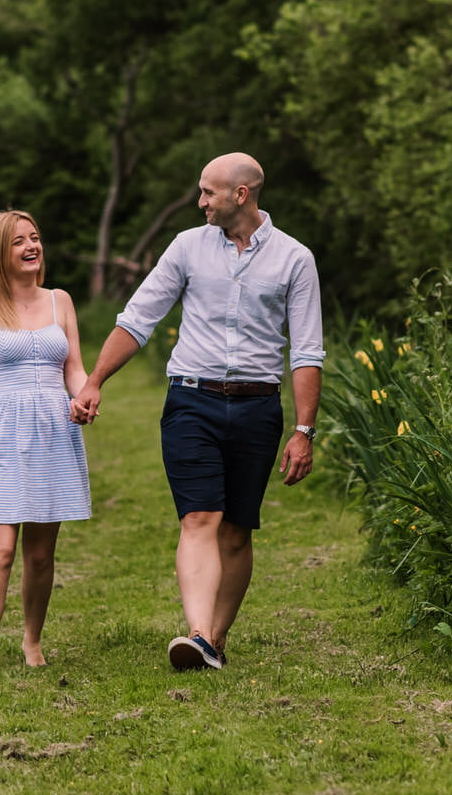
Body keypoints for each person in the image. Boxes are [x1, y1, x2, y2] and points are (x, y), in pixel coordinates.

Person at [70, 153, 322, 670]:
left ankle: (216, 640)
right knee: (199, 516)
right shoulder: (187, 246)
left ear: (241, 195)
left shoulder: (296, 259)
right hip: (191, 400)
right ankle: (198, 634)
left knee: (236, 529)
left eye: (208, 192)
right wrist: (95, 380)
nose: (201, 201)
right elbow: (138, 318)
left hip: (257, 408)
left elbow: (307, 351)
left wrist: (303, 430)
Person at [0, 208, 92, 673]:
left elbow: (73, 368)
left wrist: (85, 395)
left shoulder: (60, 302)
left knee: (40, 552)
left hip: (53, 429)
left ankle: (32, 642)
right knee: (2, 549)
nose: (32, 247)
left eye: (35, 238)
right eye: (18, 242)